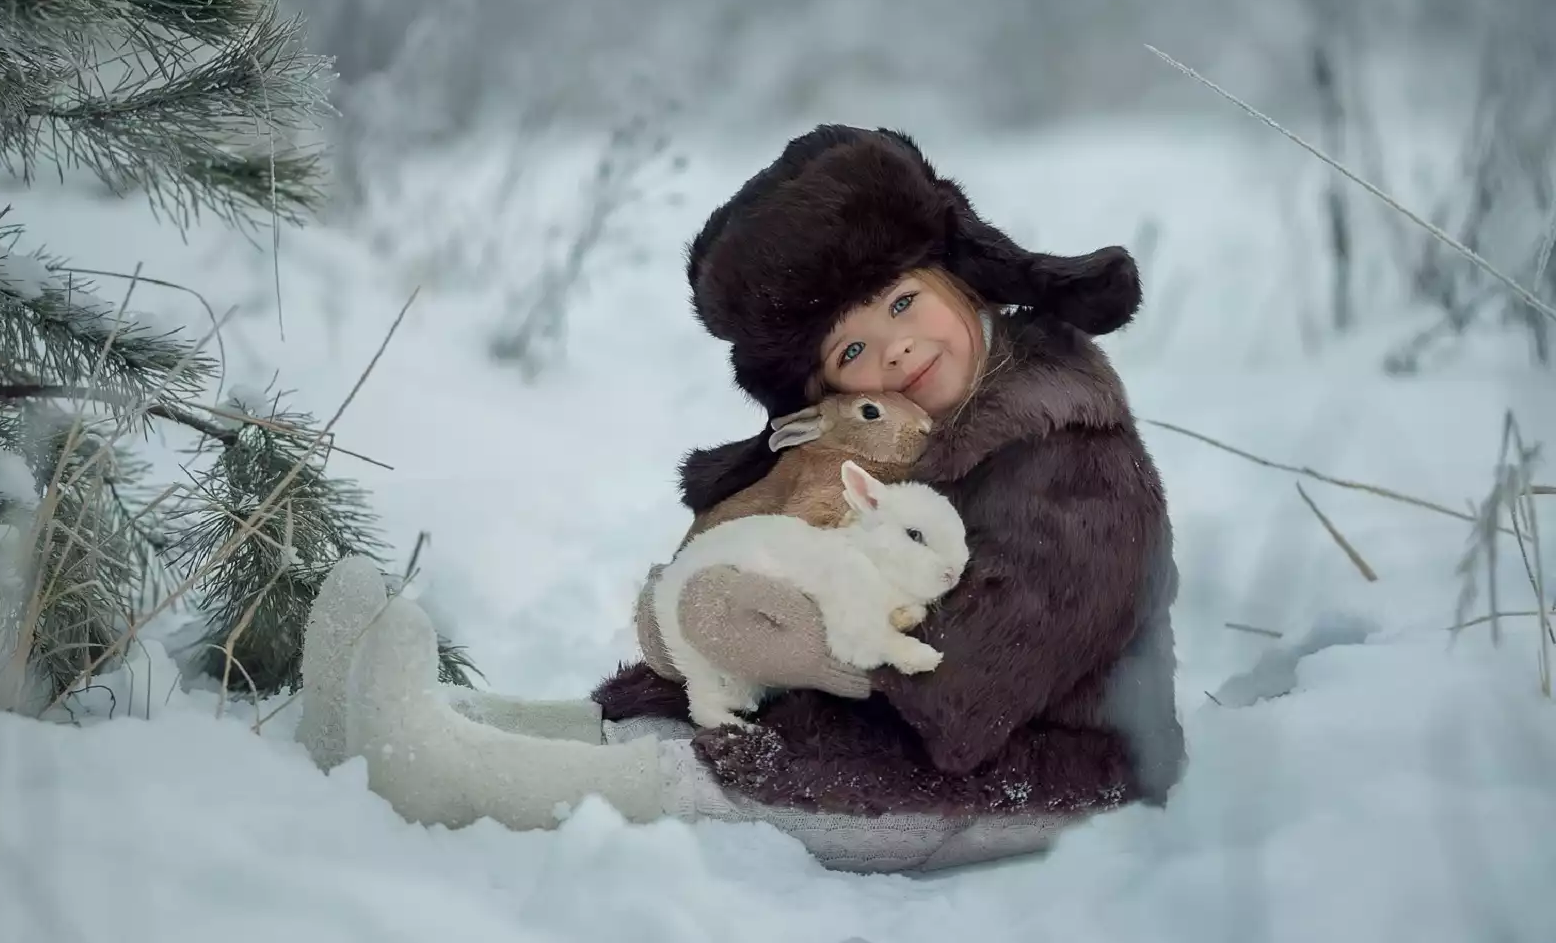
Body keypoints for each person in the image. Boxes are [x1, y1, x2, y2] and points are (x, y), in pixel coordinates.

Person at [297, 124, 1184, 874]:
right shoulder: (901, 440)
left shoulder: (1074, 467)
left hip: (1027, 774)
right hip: (892, 721)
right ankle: (447, 724)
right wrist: (704, 628)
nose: (897, 351)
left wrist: (783, 635)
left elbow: (966, 701)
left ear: (961, 279)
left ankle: (445, 772)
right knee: (685, 709)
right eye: (851, 352)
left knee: (720, 773)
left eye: (904, 302)